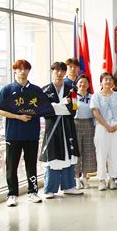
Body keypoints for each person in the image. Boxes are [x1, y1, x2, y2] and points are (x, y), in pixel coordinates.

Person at [0, 59, 52, 206]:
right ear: (15, 70)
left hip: (31, 134)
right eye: (19, 68)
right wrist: (18, 116)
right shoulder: (8, 89)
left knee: (31, 164)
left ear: (29, 71)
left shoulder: (36, 90)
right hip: (13, 134)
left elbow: (45, 108)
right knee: (12, 166)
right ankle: (12, 194)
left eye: (25, 68)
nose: (22, 71)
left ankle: (32, 192)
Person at [40, 62, 84, 198]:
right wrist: (62, 106)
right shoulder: (45, 90)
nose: (59, 73)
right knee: (53, 157)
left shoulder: (72, 90)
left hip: (68, 127)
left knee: (68, 155)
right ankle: (49, 189)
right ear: (52, 72)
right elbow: (44, 110)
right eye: (56, 71)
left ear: (65, 73)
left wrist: (55, 107)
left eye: (62, 71)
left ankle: (69, 186)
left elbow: (73, 109)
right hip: (52, 128)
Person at [91, 72, 117, 191]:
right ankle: (101, 180)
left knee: (115, 152)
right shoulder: (96, 96)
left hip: (115, 126)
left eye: (110, 79)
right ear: (101, 82)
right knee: (101, 153)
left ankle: (112, 179)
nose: (108, 81)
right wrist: (106, 126)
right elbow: (96, 113)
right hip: (101, 126)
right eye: (105, 79)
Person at [74, 76, 96, 189]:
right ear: (76, 84)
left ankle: (85, 177)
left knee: (88, 150)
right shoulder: (73, 97)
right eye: (80, 82)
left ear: (88, 85)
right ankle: (76, 178)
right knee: (77, 151)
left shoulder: (92, 97)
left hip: (89, 124)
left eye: (85, 82)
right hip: (76, 124)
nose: (83, 84)